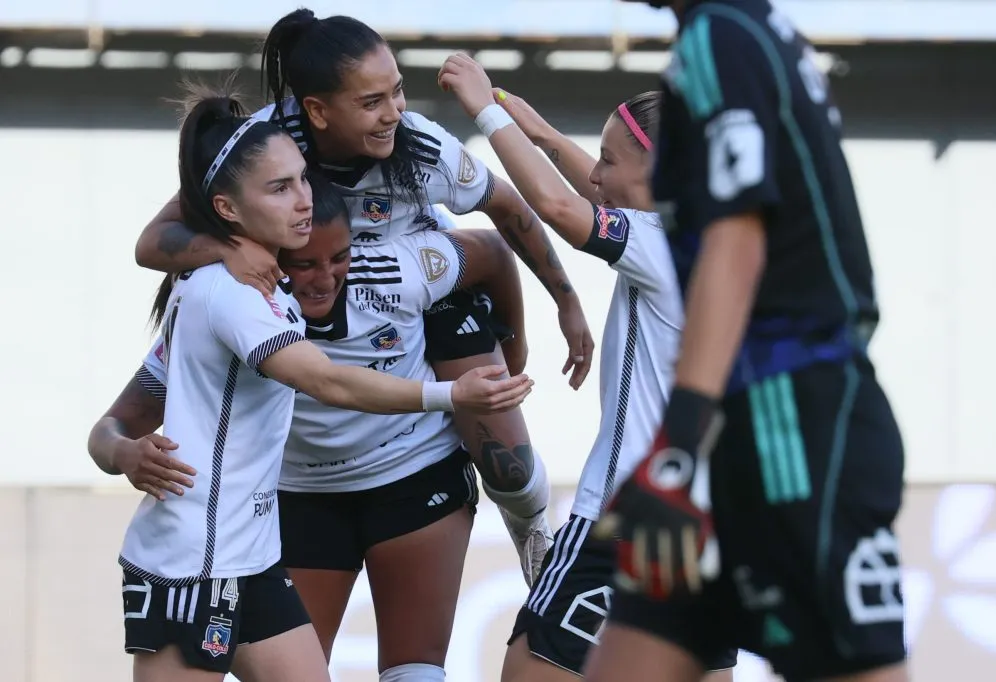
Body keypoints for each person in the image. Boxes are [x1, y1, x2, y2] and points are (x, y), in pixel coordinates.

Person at [131, 9, 595, 584]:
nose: (394, 112)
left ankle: (529, 520)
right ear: (317, 112)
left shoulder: (422, 153)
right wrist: (225, 250)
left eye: (397, 92)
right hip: (314, 361)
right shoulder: (265, 148)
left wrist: (560, 305)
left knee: (507, 452)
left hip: (413, 293)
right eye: (372, 100)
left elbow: (502, 219)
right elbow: (154, 241)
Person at [88, 88, 532, 682]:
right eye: (279, 189)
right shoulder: (230, 294)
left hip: (253, 559)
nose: (304, 200)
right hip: (191, 562)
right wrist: (450, 395)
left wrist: (118, 446)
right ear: (226, 208)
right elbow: (325, 382)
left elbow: (490, 254)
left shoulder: (259, 289)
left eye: (301, 179)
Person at [585, 2, 908, 682]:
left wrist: (674, 446)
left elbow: (739, 239)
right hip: (736, 438)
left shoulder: (718, 37)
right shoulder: (752, 35)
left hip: (792, 427)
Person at [436, 55, 738, 681]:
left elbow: (557, 206)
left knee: (528, 668)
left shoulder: (660, 246)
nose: (595, 175)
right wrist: (544, 136)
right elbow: (601, 194)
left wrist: (484, 111)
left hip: (625, 519)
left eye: (607, 158)